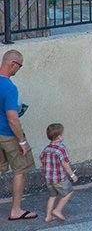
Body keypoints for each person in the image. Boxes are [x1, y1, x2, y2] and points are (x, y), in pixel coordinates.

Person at [0, 51, 34, 221]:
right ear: (13, 64)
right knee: (20, 170)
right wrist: (22, 141)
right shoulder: (9, 87)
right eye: (19, 66)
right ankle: (16, 210)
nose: (18, 70)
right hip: (8, 135)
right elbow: (12, 118)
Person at [39, 124, 77, 222]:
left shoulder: (46, 148)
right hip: (59, 178)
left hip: (48, 179)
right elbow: (65, 163)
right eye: (62, 135)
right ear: (59, 136)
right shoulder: (61, 148)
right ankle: (57, 210)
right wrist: (72, 175)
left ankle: (48, 216)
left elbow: (41, 159)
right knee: (69, 192)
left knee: (53, 196)